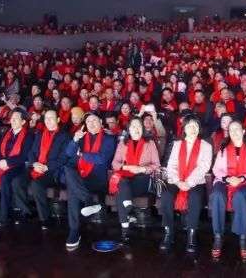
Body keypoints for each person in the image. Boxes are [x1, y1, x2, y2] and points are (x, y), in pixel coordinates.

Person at [90, 118, 160, 241]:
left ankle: (126, 221)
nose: (136, 129)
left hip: (142, 179)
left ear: (142, 129)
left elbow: (156, 165)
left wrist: (142, 169)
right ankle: (127, 216)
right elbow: (115, 163)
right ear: (129, 129)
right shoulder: (123, 143)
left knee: (122, 190)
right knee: (122, 183)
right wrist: (127, 167)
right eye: (133, 126)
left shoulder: (150, 143)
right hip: (126, 178)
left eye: (138, 126)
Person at [158, 114, 212, 253]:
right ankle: (168, 232)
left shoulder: (206, 145)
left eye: (195, 126)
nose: (192, 129)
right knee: (166, 196)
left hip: (195, 182)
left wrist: (188, 182)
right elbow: (171, 165)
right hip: (176, 180)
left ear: (199, 128)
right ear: (184, 128)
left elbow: (203, 167)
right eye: (189, 126)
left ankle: (191, 234)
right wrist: (178, 181)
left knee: (195, 197)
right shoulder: (177, 144)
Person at [64, 112, 118, 251]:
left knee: (73, 190)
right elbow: (68, 153)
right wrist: (75, 139)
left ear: (100, 121)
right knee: (68, 170)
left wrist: (82, 154)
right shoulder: (82, 137)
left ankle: (74, 231)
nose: (91, 123)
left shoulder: (109, 138)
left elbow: (101, 159)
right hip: (82, 179)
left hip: (98, 180)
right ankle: (88, 202)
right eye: (88, 121)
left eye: (94, 120)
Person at [209, 119, 246, 261]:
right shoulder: (223, 149)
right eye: (231, 130)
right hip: (225, 181)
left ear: (243, 131)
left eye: (237, 129)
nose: (235, 132)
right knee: (217, 195)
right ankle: (218, 236)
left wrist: (241, 179)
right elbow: (216, 170)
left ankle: (243, 238)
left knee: (240, 195)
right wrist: (227, 179)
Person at [13, 108, 70, 229]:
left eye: (51, 118)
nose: (48, 121)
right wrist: (34, 163)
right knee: (17, 181)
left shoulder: (64, 136)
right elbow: (32, 152)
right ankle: (26, 211)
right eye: (46, 118)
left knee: (36, 184)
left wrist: (46, 167)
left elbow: (63, 158)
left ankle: (44, 218)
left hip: (53, 171)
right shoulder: (40, 134)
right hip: (36, 166)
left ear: (58, 120)